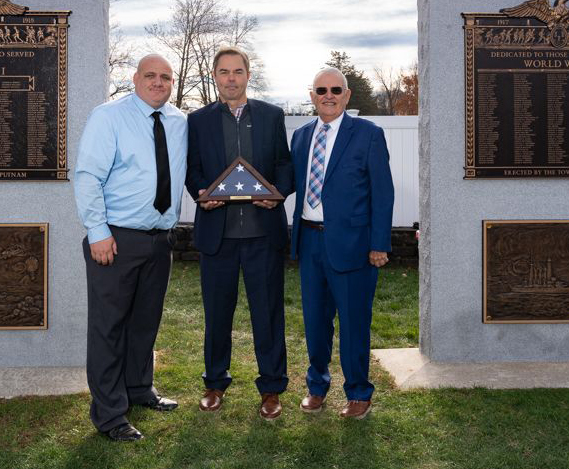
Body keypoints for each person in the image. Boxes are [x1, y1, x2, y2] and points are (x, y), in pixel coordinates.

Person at [74, 54, 187, 441]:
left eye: (165, 77)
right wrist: (97, 230)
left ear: (173, 82)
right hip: (116, 239)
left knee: (144, 323)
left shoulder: (179, 122)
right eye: (150, 76)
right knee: (109, 327)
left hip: (160, 240)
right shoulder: (108, 117)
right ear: (135, 78)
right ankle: (110, 414)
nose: (158, 82)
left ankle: (139, 389)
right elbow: (88, 175)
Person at [185, 46, 293, 420]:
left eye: (237, 71)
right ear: (214, 76)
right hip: (218, 236)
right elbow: (193, 169)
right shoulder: (197, 120)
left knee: (268, 315)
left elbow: (283, 164)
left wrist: (277, 196)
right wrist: (201, 193)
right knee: (217, 314)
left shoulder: (271, 115)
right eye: (224, 72)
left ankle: (272, 388)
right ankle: (214, 383)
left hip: (263, 234)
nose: (231, 78)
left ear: (249, 75)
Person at [290, 67, 394, 419]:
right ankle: (316, 386)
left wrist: (379, 244)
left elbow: (383, 193)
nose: (328, 95)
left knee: (353, 323)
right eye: (321, 89)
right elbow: (291, 182)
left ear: (347, 95)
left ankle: (359, 392)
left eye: (336, 89)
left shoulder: (367, 134)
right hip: (310, 242)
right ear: (312, 95)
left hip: (353, 246)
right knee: (315, 323)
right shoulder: (302, 136)